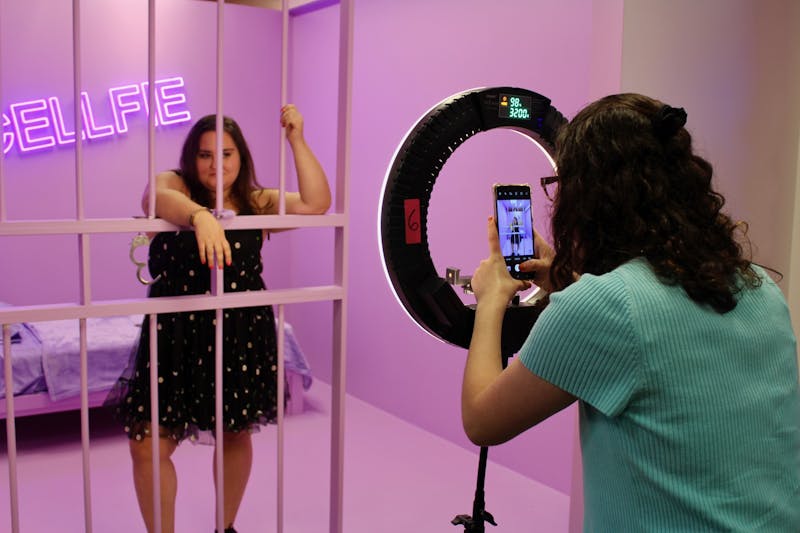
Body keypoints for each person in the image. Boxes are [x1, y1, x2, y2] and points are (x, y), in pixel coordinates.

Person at [461, 93, 800, 531]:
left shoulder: (604, 309)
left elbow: (482, 420)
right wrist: (568, 280)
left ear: (587, 198)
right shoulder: (759, 287)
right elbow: (658, 326)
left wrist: (491, 298)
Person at [108, 105, 330, 533]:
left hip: (240, 332)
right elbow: (154, 197)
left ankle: (224, 527)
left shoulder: (254, 201)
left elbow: (318, 202)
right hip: (174, 333)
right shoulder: (175, 185)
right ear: (192, 158)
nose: (216, 164)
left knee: (234, 433)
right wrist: (200, 217)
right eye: (206, 154)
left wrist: (296, 139)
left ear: (240, 157)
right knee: (147, 444)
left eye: (226, 154)